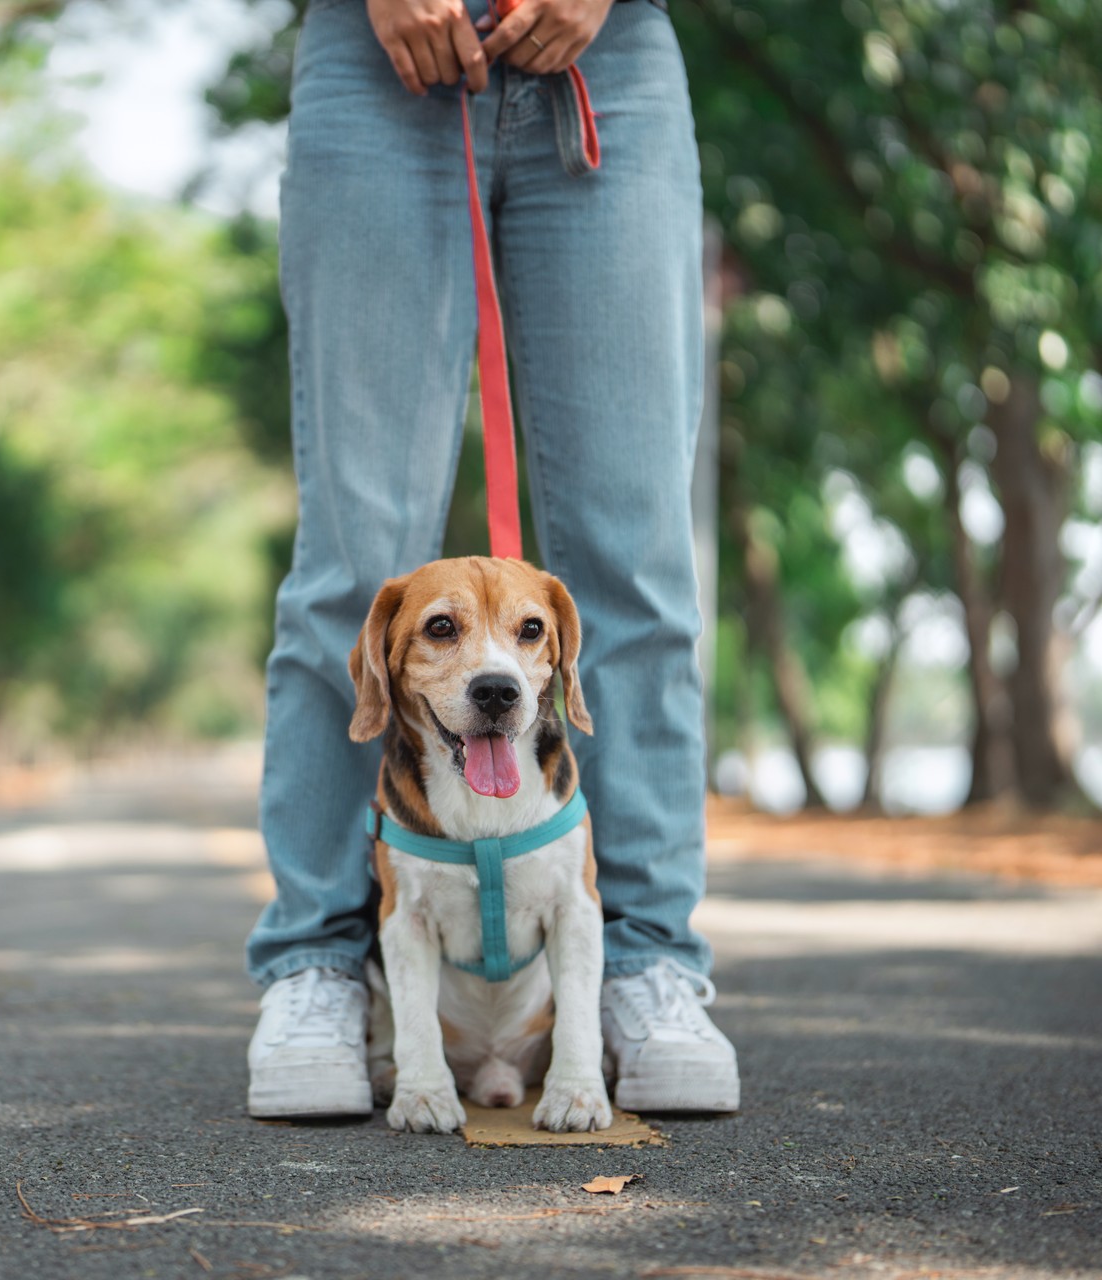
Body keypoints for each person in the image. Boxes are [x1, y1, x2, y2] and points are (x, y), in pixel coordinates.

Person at [245, 0, 737, 1118]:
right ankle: (323, 966)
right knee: (356, 564)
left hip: (609, 68)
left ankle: (648, 963)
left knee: (634, 561)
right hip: (375, 65)